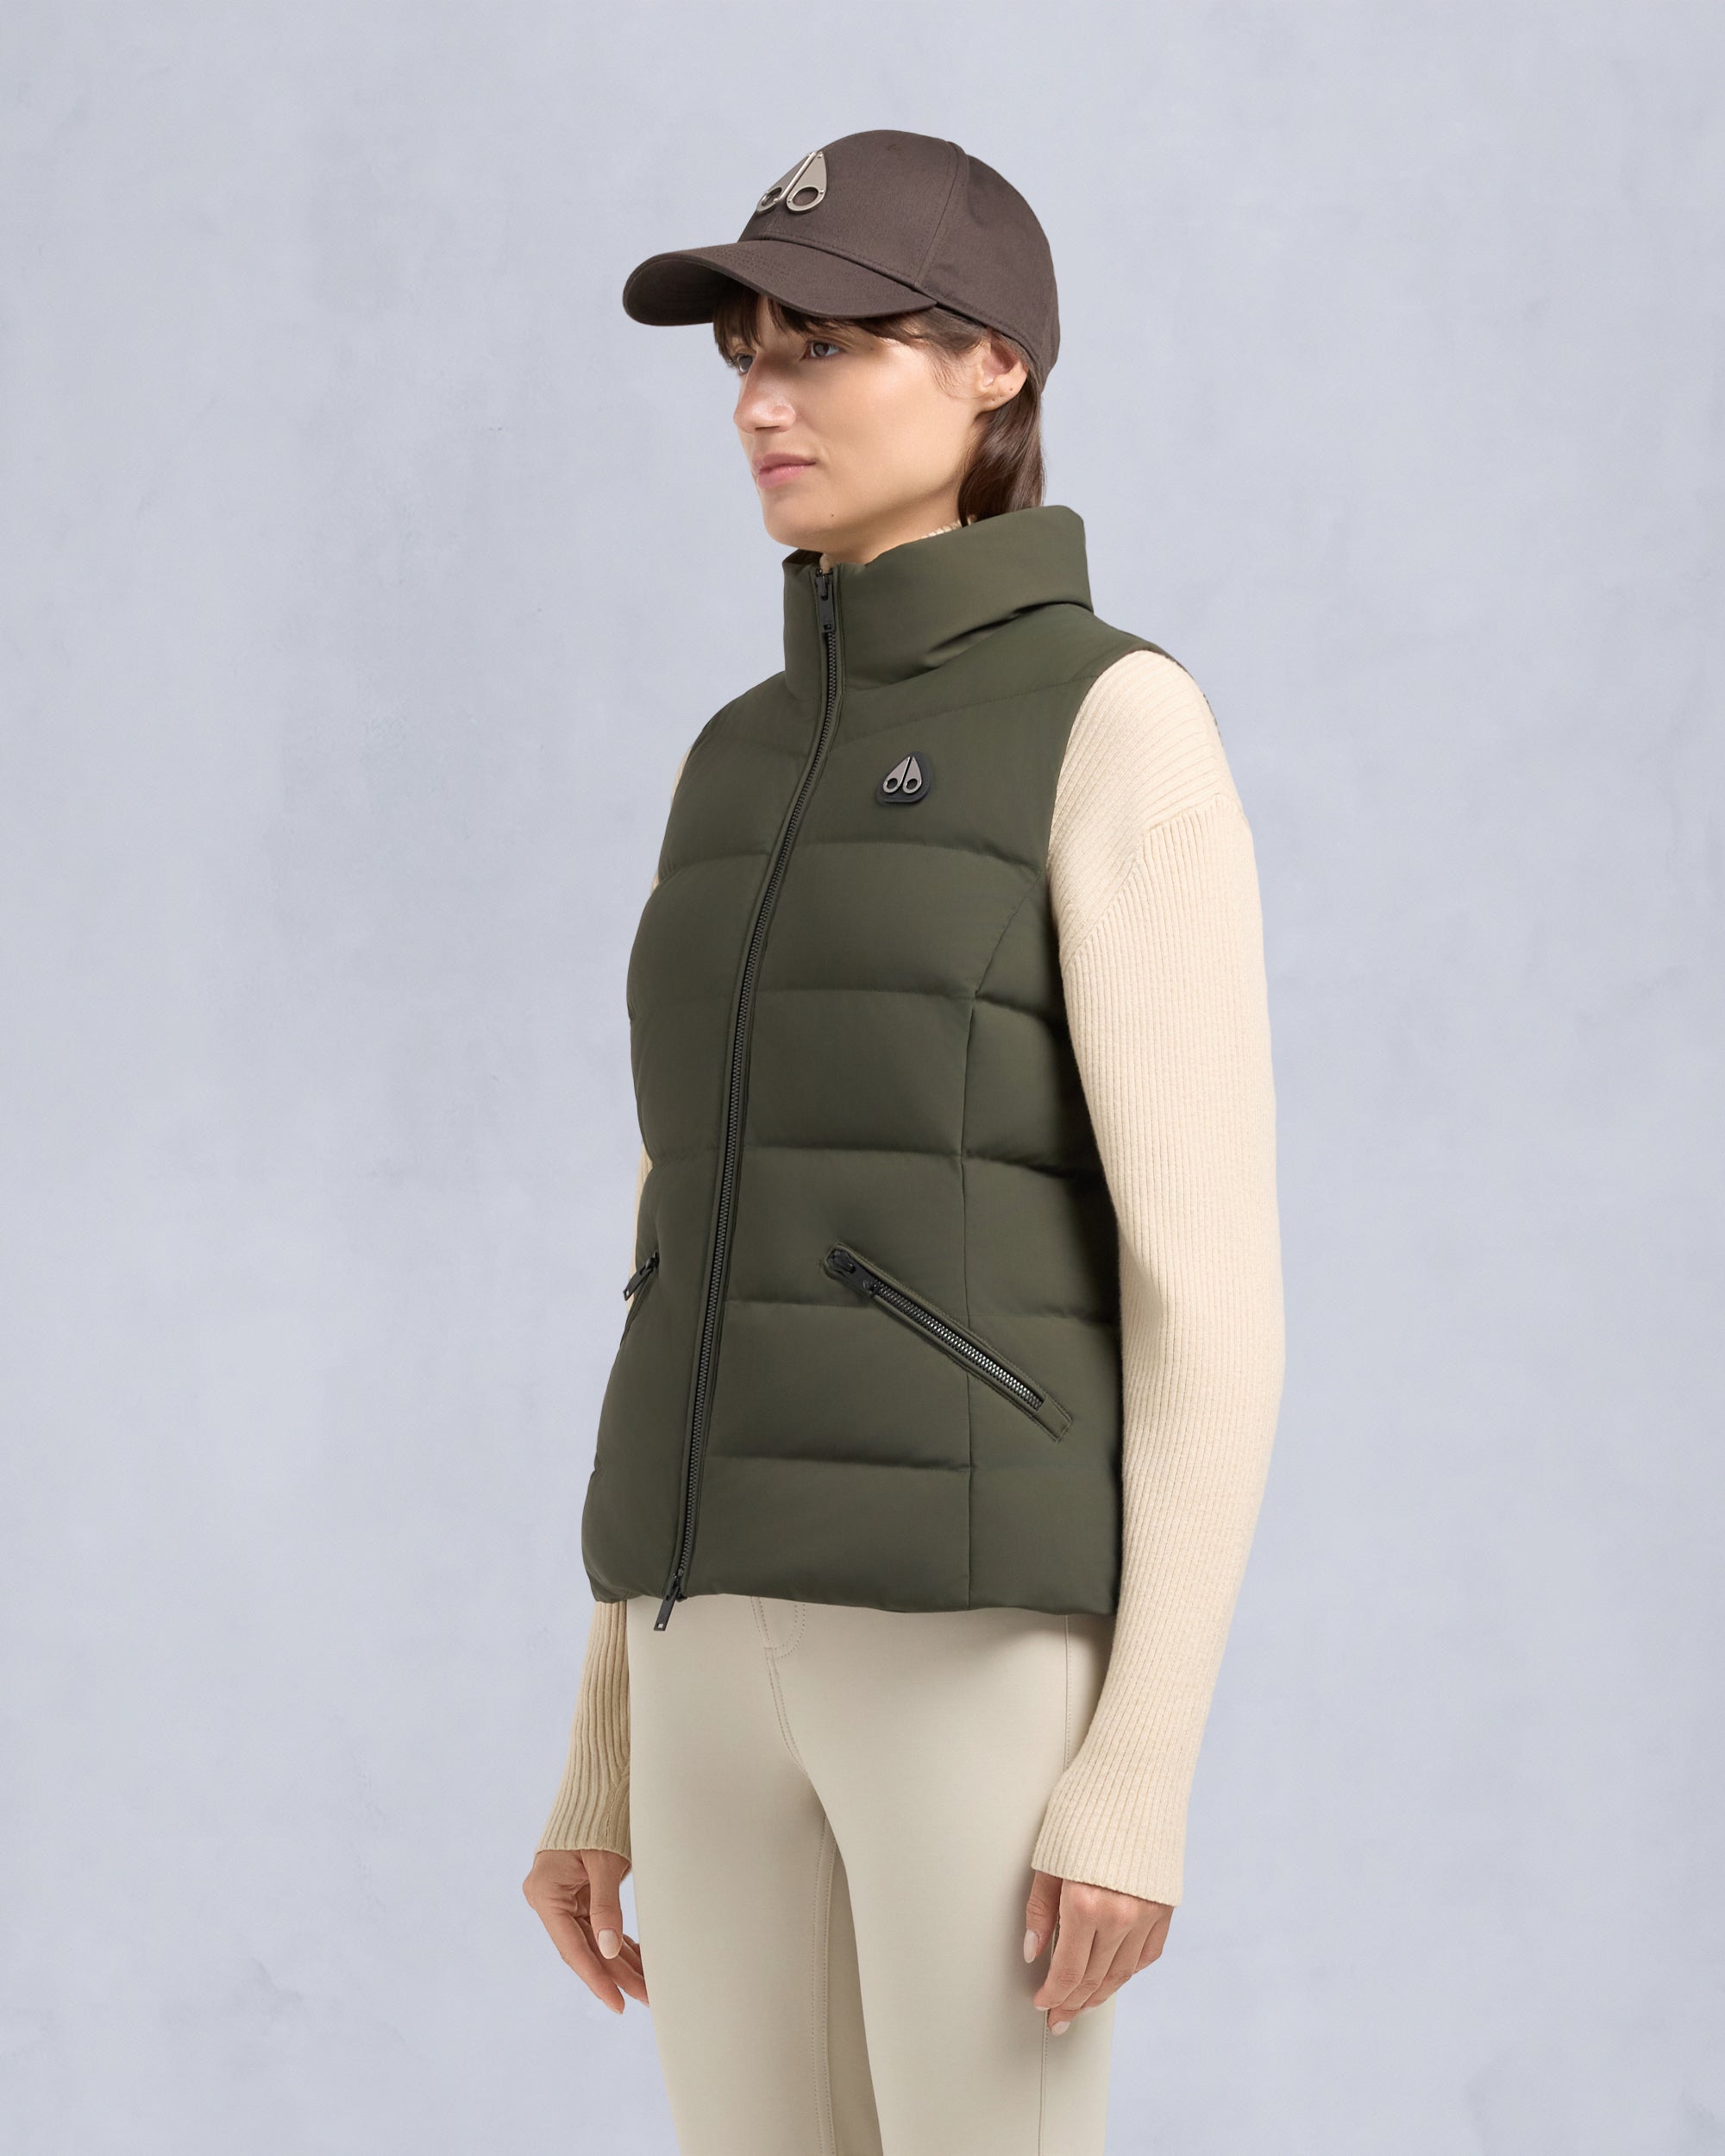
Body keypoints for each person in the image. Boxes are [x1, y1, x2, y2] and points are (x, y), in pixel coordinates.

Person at [522, 128, 1285, 2155]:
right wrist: (604, 1736)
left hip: (967, 1643)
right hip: (703, 1644)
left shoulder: (1115, 723)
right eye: (745, 354)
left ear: (990, 367)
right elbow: (680, 1246)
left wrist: (1137, 1769)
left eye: (827, 346)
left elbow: (1206, 1295)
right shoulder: (734, 758)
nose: (762, 402)